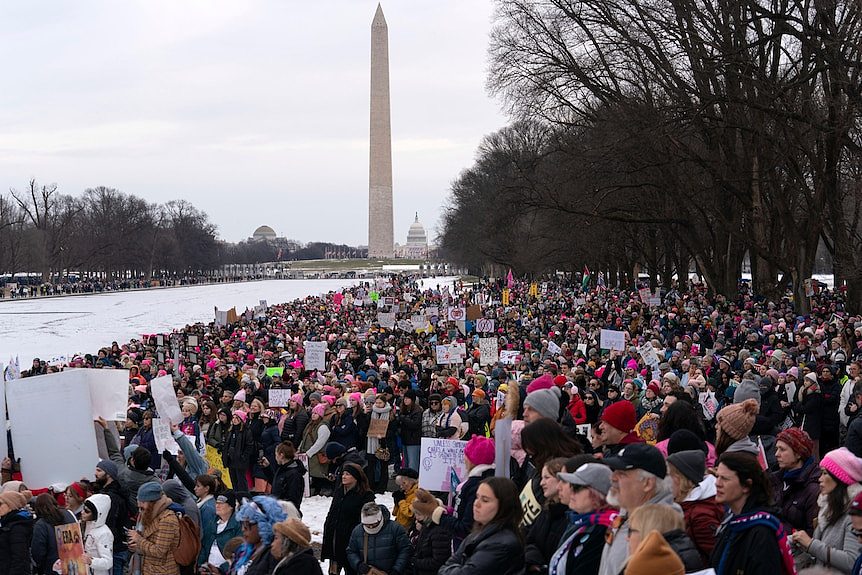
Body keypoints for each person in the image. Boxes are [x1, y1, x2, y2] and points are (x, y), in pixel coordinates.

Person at [599, 443, 682, 575]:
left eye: (622, 473)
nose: (612, 477)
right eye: (614, 471)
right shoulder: (627, 514)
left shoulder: (659, 527)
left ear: (648, 483)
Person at [711, 451, 796, 575]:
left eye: (724, 478)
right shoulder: (733, 523)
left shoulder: (762, 533)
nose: (717, 483)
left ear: (746, 485)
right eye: (717, 476)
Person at [411, 435, 496, 549]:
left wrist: (436, 513)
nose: (464, 459)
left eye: (466, 455)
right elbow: (462, 514)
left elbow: (465, 528)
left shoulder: (476, 486)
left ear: (473, 459)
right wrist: (441, 507)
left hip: (468, 550)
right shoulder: (477, 482)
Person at [789, 447, 862, 572]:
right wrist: (799, 543)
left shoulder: (854, 514)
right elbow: (820, 556)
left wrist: (811, 544)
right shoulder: (828, 506)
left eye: (824, 473)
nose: (819, 479)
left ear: (840, 478)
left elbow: (852, 561)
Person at [438, 477, 526, 575]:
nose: (476, 504)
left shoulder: (502, 544)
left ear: (503, 505)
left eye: (485, 500)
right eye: (477, 497)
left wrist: (458, 566)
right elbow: (444, 568)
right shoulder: (478, 533)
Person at [550, 461, 615, 575]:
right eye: (571, 486)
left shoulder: (603, 531)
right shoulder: (584, 522)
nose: (571, 492)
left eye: (576, 487)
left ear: (596, 494)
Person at [666, 449, 724, 564]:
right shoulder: (687, 505)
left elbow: (716, 556)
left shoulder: (700, 515)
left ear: (679, 479)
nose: (666, 481)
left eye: (669, 476)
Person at [321, 463, 375, 575]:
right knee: (333, 571)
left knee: (351, 570)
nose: (343, 476)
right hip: (335, 539)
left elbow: (369, 519)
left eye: (347, 474)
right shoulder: (339, 491)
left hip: (351, 540)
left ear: (356, 477)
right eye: (343, 474)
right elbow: (332, 512)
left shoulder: (365, 495)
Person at [770, 427, 821, 535]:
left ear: (798, 454)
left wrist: (776, 526)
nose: (776, 454)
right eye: (777, 449)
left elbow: (811, 534)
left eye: (782, 449)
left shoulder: (813, 488)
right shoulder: (774, 479)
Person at [524, 457, 570, 574]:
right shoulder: (547, 510)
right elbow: (529, 539)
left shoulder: (570, 517)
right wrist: (534, 562)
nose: (541, 483)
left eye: (547, 478)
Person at [626, 504, 702, 572]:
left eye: (630, 531)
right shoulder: (678, 561)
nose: (627, 538)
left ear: (647, 532)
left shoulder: (654, 569)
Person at [127, 483, 180, 575]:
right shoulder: (150, 514)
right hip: (147, 569)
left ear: (153, 502)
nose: (140, 506)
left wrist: (138, 539)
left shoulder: (167, 519)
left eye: (143, 502)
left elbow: (159, 551)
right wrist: (136, 547)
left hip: (162, 571)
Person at [346, 501, 412, 575]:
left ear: (380, 519)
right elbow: (351, 551)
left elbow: (405, 550)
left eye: (374, 524)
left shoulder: (395, 529)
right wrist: (358, 564)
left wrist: (396, 569)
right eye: (367, 525)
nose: (370, 527)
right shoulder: (357, 531)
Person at [94, 457, 132, 575]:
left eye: (99, 471)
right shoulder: (107, 493)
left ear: (109, 475)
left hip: (113, 549)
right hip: (111, 547)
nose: (95, 474)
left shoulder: (112, 498)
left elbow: (110, 523)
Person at [230, 495, 286, 575]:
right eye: (242, 524)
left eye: (248, 524)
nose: (243, 529)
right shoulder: (244, 550)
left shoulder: (274, 554)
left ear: (265, 524)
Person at [31, 493, 77, 574]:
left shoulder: (41, 524)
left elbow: (38, 552)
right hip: (74, 564)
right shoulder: (69, 514)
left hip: (52, 567)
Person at [410, 491, 454, 575]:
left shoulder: (439, 531)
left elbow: (438, 561)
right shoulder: (426, 525)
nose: (416, 517)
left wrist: (415, 562)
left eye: (418, 514)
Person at [198, 490, 241, 574]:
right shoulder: (212, 523)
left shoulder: (238, 525)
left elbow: (238, 553)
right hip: (208, 570)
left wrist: (221, 569)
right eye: (216, 503)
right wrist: (201, 564)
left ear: (231, 506)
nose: (217, 506)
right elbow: (203, 545)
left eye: (221, 503)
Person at [261, 441, 306, 512]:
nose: (275, 458)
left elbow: (293, 500)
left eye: (276, 455)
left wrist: (275, 504)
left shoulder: (294, 474)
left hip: (287, 514)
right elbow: (276, 483)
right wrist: (267, 468)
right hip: (278, 511)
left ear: (281, 455)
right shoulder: (283, 469)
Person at [299, 403, 332, 495]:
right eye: (313, 413)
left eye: (316, 413)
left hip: (316, 455)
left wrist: (309, 452)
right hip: (308, 454)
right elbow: (304, 438)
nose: (313, 415)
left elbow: (320, 442)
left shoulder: (323, 426)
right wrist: (300, 449)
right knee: (312, 473)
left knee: (318, 473)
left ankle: (322, 490)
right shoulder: (310, 425)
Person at [0, 490, 34, 575]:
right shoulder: (7, 523)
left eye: (0, 504)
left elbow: (19, 558)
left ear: (11, 505)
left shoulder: (17, 527)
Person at [81, 494, 115, 575]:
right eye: (83, 509)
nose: (82, 512)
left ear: (97, 513)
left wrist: (91, 561)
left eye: (87, 511)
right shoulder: (84, 525)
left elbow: (108, 562)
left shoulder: (104, 533)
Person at [222, 410, 255, 494]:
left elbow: (249, 446)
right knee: (234, 481)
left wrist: (243, 457)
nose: (234, 419)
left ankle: (244, 497)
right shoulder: (231, 431)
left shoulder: (246, 432)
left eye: (237, 418)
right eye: (233, 417)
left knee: (241, 482)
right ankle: (236, 496)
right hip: (231, 460)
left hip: (240, 461)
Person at [396, 389, 423, 471]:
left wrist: (403, 418)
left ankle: (413, 482)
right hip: (405, 439)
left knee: (413, 464)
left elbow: (415, 424)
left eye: (408, 398)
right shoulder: (403, 410)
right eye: (405, 398)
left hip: (414, 440)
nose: (405, 400)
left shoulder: (417, 410)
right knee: (406, 463)